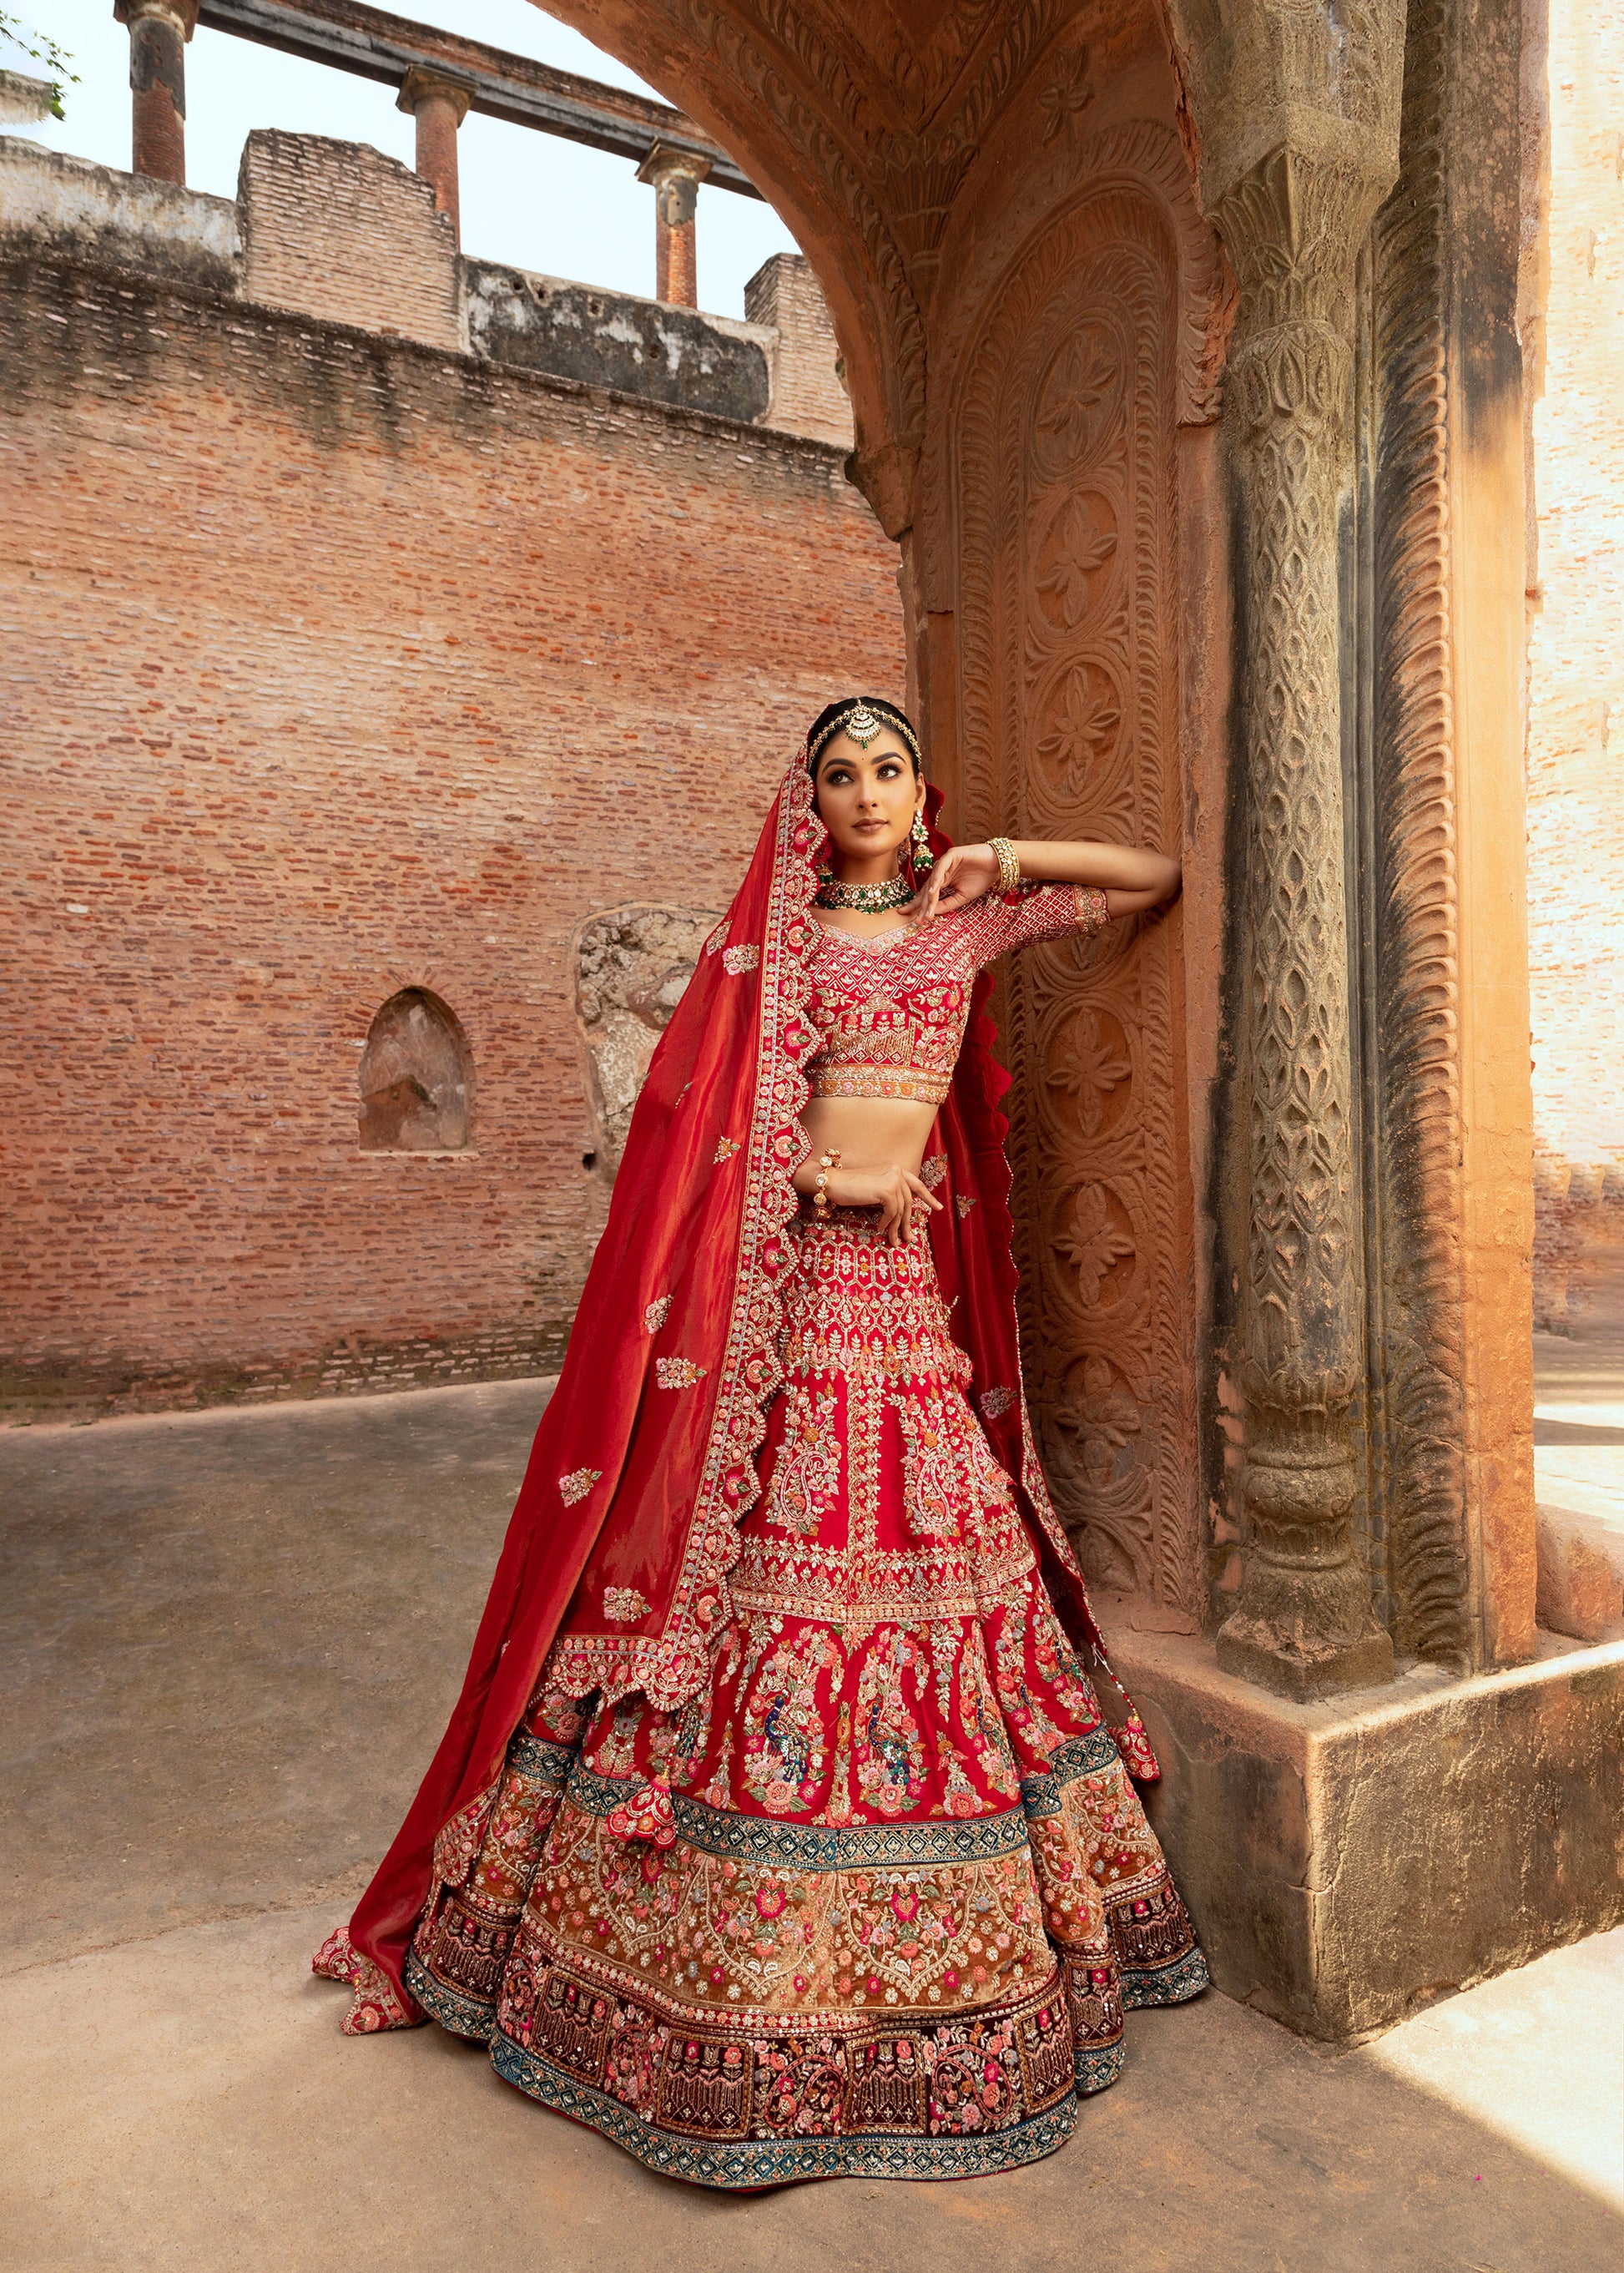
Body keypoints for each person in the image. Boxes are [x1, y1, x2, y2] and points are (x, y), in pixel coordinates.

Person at [314, 695, 1207, 2186]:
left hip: (906, 1322)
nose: (865, 795)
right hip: (789, 1306)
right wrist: (827, 1179)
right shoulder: (776, 952)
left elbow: (1153, 877)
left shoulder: (956, 927)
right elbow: (706, 1132)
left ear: (922, 787)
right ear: (807, 800)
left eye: (889, 771)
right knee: (758, 1585)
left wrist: (992, 852)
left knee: (940, 1568)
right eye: (840, 775)